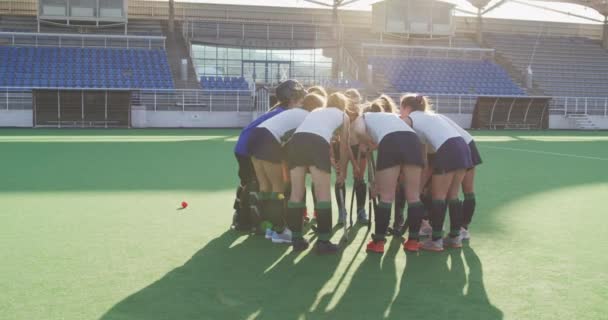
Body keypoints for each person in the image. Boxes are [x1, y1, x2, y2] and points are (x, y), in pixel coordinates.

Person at [285, 92, 359, 254]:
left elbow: (318, 136)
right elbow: (344, 146)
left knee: (296, 193)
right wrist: (343, 172)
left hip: (296, 142)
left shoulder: (316, 112)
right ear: (343, 105)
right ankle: (323, 242)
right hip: (317, 144)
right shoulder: (343, 116)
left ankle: (296, 239)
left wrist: (332, 161)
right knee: (323, 194)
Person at [399, 94, 473, 252]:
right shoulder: (429, 116)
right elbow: (424, 157)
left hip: (448, 149)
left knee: (438, 197)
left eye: (401, 108)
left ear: (407, 108)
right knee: (453, 195)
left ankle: (437, 240)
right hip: (463, 147)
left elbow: (399, 127)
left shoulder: (411, 118)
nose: (400, 112)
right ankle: (454, 237)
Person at [351, 103, 426, 253]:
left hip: (390, 142)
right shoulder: (393, 117)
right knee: (413, 196)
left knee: (385, 196)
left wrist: (368, 141)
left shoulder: (363, 116)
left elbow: (358, 131)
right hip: (413, 140)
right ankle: (413, 241)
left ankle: (378, 242)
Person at [231, 81, 304, 231]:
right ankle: (244, 220)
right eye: (300, 99)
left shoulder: (279, 110)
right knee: (254, 183)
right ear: (292, 99)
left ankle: (245, 218)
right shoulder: (286, 113)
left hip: (244, 146)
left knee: (250, 182)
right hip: (249, 148)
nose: (302, 103)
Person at [437, 114, 482, 240]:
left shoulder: (419, 120)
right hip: (467, 143)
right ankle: (462, 229)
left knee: (449, 191)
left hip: (456, 146)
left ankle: (456, 228)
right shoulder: (435, 116)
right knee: (467, 190)